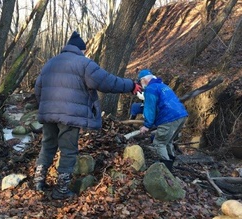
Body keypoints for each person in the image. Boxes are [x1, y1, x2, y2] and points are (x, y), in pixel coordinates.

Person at [33, 31, 142, 200]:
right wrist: (130, 85)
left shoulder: (50, 63)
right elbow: (106, 81)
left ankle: (38, 181)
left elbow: (38, 89)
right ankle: (61, 189)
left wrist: (46, 108)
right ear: (81, 49)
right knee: (68, 150)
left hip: (48, 113)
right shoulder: (83, 63)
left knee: (47, 146)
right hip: (70, 115)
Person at [138, 69, 188, 171]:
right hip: (181, 115)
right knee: (168, 141)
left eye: (140, 81)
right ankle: (170, 161)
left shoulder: (151, 89)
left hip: (168, 117)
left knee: (159, 142)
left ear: (143, 80)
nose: (140, 84)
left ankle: (166, 168)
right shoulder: (163, 86)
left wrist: (147, 125)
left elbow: (149, 108)